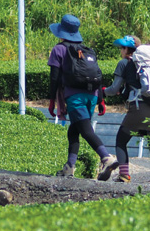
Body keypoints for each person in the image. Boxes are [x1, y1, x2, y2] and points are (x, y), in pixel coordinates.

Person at [47, 14, 118, 180]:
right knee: (74, 130)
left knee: (85, 130)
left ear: (61, 32)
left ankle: (106, 158)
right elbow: (97, 76)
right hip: (92, 95)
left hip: (75, 97)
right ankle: (69, 167)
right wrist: (100, 99)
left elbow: (54, 78)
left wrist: (52, 101)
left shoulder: (59, 49)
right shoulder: (87, 50)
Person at [101, 35, 150, 183]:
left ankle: (124, 175)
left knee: (121, 140)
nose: (120, 51)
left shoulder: (124, 63)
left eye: (121, 48)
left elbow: (113, 89)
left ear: (126, 49)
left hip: (138, 108)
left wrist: (102, 91)